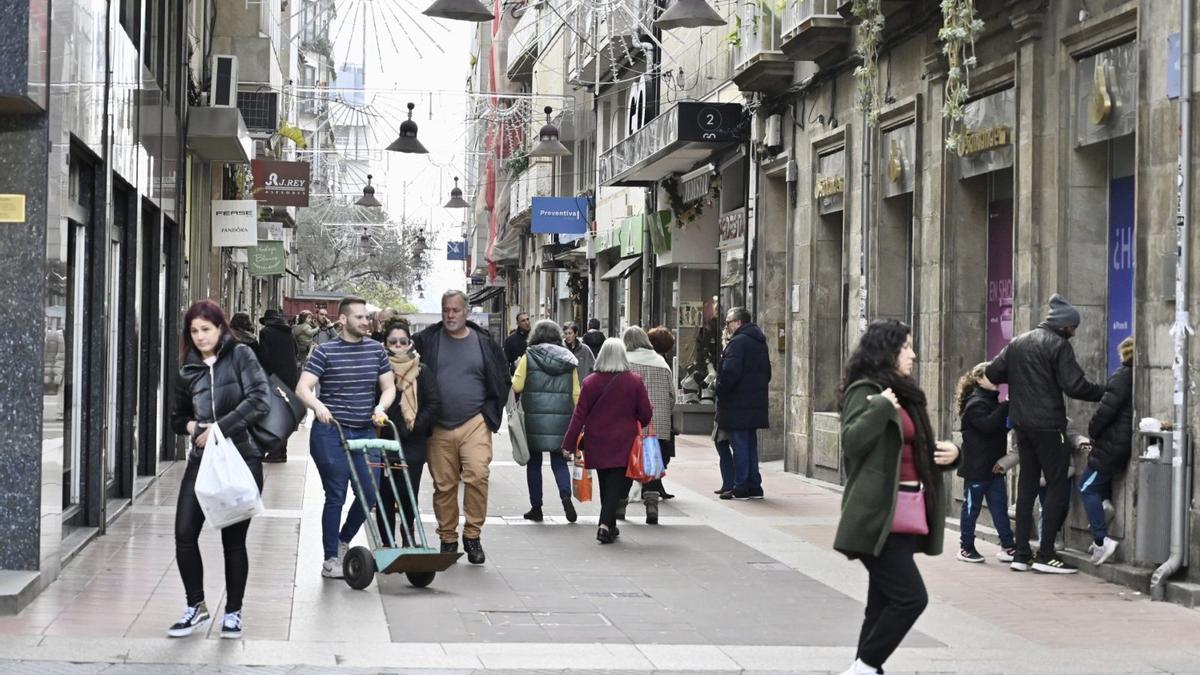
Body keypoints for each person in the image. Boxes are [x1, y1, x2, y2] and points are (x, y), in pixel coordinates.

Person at [834, 319, 959, 675]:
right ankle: (866, 667)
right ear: (887, 350)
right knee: (911, 598)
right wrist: (880, 409)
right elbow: (853, 443)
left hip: (906, 513)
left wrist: (953, 454)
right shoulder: (867, 391)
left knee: (881, 604)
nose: (913, 354)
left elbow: (913, 450)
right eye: (906, 347)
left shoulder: (905, 393)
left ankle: (864, 667)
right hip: (877, 515)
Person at [168, 300, 270, 640]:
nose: (200, 336)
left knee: (233, 541)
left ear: (220, 328)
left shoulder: (241, 355)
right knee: (184, 534)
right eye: (194, 331)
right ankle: (195, 605)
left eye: (206, 329)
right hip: (201, 463)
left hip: (241, 458)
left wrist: (220, 427)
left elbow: (260, 400)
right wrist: (193, 427)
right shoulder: (187, 368)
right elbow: (176, 419)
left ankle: (234, 613)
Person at [985, 294, 1105, 574]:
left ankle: (1021, 554)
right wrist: (1105, 391)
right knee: (1057, 486)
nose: (1075, 332)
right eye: (1073, 327)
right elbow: (1075, 386)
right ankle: (1047, 554)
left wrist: (1019, 376)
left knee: (1026, 487)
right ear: (1063, 326)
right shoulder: (1058, 345)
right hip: (1050, 427)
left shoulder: (1017, 343)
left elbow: (992, 372)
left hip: (1022, 426)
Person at [295, 296, 396, 579]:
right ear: (343, 320)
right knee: (336, 494)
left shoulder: (377, 350)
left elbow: (388, 388)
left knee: (370, 492)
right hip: (331, 432)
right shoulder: (324, 352)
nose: (366, 322)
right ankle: (330, 559)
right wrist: (318, 405)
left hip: (364, 430)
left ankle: (343, 540)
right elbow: (303, 387)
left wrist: (380, 407)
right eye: (360, 317)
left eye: (367, 317)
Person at [412, 290, 511, 565]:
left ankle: (472, 535)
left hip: (474, 423)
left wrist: (490, 413)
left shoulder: (484, 341)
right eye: (446, 310)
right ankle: (448, 538)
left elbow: (502, 377)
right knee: (444, 485)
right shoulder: (427, 340)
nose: (450, 315)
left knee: (478, 475)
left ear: (466, 312)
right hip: (438, 425)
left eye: (455, 310)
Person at [561, 338, 653, 544]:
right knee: (616, 484)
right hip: (624, 441)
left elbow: (579, 415)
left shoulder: (590, 382)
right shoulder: (634, 381)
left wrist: (568, 443)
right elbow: (645, 414)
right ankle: (604, 525)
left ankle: (610, 525)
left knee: (606, 482)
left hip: (597, 440)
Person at [375, 320, 441, 547]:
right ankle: (386, 541)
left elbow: (432, 403)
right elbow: (374, 402)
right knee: (384, 494)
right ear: (385, 343)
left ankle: (408, 535)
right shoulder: (379, 369)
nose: (398, 346)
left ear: (410, 342)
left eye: (403, 341)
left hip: (414, 441)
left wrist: (414, 426)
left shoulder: (422, 370)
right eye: (393, 342)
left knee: (407, 492)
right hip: (385, 438)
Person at [513, 320, 580, 524]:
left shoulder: (528, 357)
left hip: (534, 419)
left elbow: (516, 386)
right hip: (562, 418)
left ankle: (536, 507)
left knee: (534, 462)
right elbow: (576, 393)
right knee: (559, 460)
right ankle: (565, 495)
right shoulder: (569, 360)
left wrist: (517, 367)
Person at [954, 362, 1016, 563]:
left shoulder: (989, 401)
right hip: (977, 468)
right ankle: (965, 548)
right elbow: (988, 426)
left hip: (994, 467)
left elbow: (998, 428)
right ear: (979, 379)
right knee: (971, 508)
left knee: (999, 508)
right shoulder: (976, 403)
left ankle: (1008, 546)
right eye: (992, 376)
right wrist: (1006, 406)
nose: (997, 379)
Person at [1081, 336, 1134, 566]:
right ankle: (1104, 509)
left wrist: (1092, 430)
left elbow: (1105, 412)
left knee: (1086, 486)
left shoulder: (1122, 376)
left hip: (1111, 444)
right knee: (1097, 486)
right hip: (1120, 443)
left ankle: (1102, 541)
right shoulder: (1135, 376)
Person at [716, 307, 771, 500]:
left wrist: (718, 386)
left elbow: (729, 374)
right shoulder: (760, 342)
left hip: (737, 404)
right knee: (750, 445)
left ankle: (740, 487)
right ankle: (755, 486)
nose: (727, 326)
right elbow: (768, 374)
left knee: (739, 446)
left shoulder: (738, 343)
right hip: (754, 403)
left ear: (738, 322)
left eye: (728, 322)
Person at [623, 326, 675, 524]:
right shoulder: (660, 362)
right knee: (652, 467)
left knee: (626, 465)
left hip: (631, 424)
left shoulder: (625, 362)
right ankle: (652, 506)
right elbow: (671, 395)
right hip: (657, 425)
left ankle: (621, 505)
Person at [255, 309, 301, 462]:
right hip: (291, 378)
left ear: (267, 321)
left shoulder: (266, 333)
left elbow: (265, 357)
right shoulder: (289, 332)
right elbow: (296, 352)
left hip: (274, 377)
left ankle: (275, 453)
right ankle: (282, 452)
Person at [647, 326, 679, 500]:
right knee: (659, 451)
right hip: (660, 415)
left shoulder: (650, 359)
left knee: (656, 451)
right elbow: (671, 393)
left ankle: (655, 485)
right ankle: (653, 486)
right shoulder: (661, 361)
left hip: (648, 414)